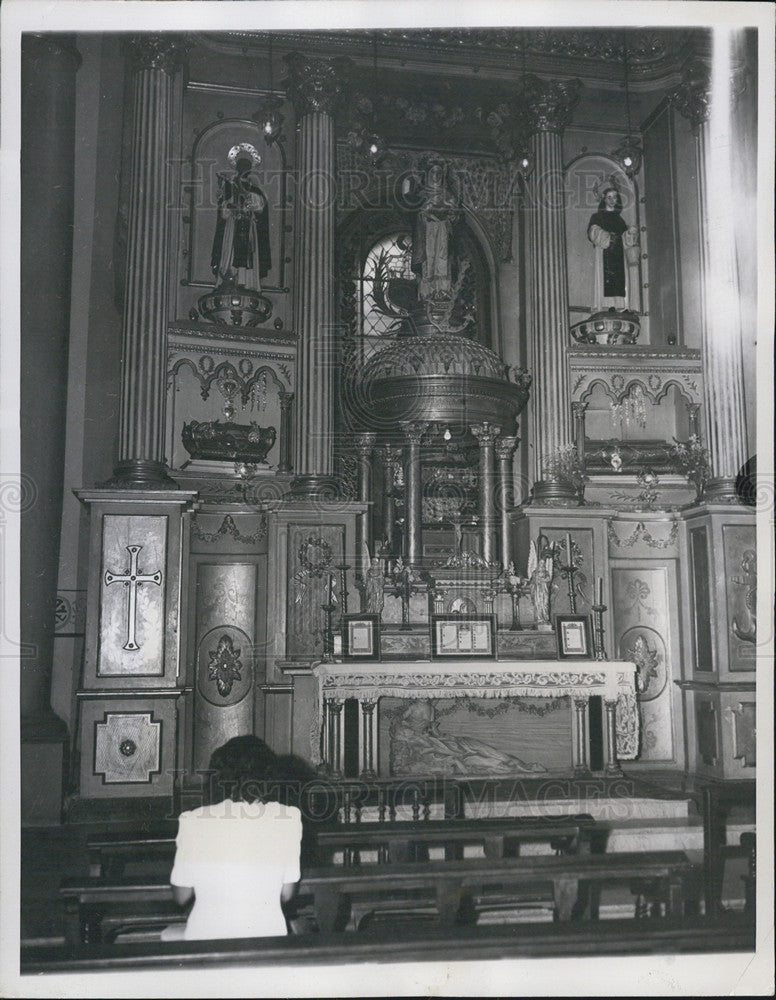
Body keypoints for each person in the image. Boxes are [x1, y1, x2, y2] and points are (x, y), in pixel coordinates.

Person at [162, 735, 302, 941]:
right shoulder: (289, 817)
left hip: (205, 942)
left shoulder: (193, 820)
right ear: (269, 777)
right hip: (267, 941)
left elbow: (182, 896)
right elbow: (287, 894)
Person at [211, 144, 271, 291]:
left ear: (250, 169)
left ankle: (247, 283)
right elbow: (223, 210)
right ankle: (229, 279)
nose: (243, 169)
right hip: (232, 225)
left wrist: (248, 199)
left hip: (248, 225)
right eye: (241, 166)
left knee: (248, 254)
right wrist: (229, 205)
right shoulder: (229, 186)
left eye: (246, 167)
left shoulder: (254, 189)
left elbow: (260, 207)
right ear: (236, 167)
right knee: (230, 252)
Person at [411, 161, 459, 301]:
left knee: (443, 258)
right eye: (433, 172)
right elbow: (416, 214)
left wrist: (451, 216)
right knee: (429, 259)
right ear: (427, 175)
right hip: (427, 233)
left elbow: (455, 217)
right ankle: (428, 293)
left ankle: (442, 291)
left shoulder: (449, 196)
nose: (436, 176)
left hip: (443, 232)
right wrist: (425, 215)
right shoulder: (421, 195)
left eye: (439, 173)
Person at [587, 186, 639, 312]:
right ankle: (607, 305)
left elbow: (625, 241)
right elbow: (593, 232)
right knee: (606, 279)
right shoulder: (597, 217)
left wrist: (630, 233)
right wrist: (607, 237)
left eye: (614, 197)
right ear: (604, 199)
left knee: (619, 279)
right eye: (609, 197)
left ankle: (619, 306)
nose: (612, 200)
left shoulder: (619, 219)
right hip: (605, 252)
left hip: (618, 253)